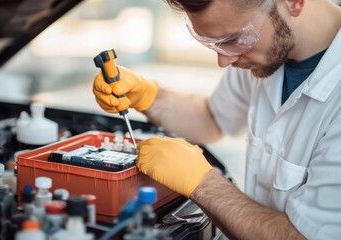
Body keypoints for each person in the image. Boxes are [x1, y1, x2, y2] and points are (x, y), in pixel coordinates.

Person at [93, 0, 341, 239]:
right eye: (214, 43)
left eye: (233, 39)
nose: (224, 61)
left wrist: (203, 183)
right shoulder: (265, 52)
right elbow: (212, 120)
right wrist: (149, 97)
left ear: (294, 2)